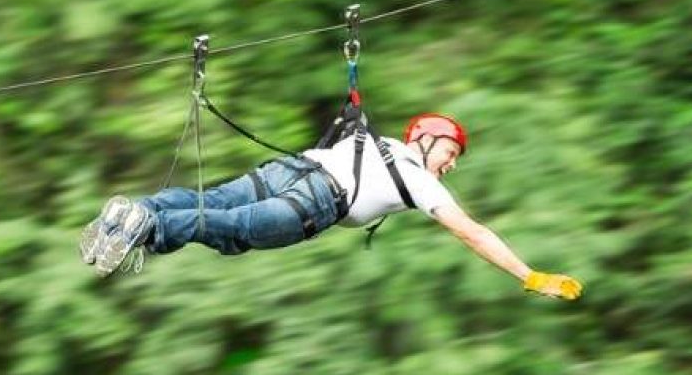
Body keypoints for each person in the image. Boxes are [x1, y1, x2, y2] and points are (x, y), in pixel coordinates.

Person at [78, 113, 582, 300]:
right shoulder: (417, 179)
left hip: (292, 169)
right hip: (316, 200)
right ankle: (146, 226)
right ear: (426, 140)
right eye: (450, 154)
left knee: (210, 201)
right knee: (229, 230)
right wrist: (527, 274)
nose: (450, 166)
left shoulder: (374, 139)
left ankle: (130, 211)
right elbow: (472, 232)